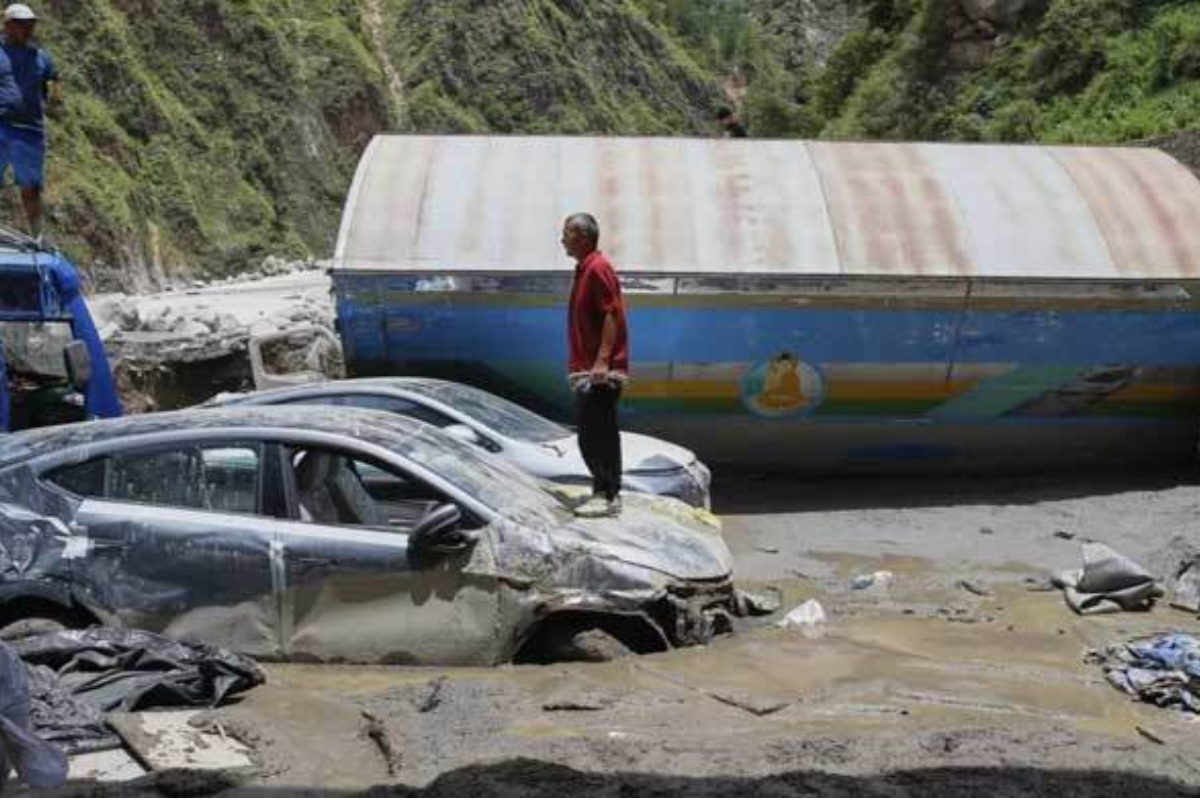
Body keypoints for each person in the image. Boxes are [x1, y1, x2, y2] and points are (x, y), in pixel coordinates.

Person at [561, 213, 629, 518]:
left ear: (584, 237)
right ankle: (602, 491)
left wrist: (602, 361)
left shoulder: (598, 267)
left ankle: (608, 495)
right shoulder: (584, 269)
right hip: (587, 371)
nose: (562, 239)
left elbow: (611, 314)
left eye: (567, 233)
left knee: (598, 434)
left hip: (600, 373)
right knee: (590, 434)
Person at [0, 4, 59, 239]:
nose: (28, 28)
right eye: (22, 24)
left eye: (31, 24)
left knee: (31, 187)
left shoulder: (41, 57)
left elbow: (54, 80)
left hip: (30, 132)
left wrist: (55, 98)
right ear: (7, 25)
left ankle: (37, 237)